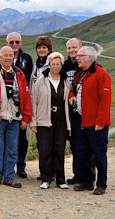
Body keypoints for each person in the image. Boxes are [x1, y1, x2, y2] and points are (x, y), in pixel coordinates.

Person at [0, 46, 32, 188]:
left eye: (10, 56)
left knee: (12, 148)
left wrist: (26, 118)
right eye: (4, 55)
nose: (7, 58)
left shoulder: (20, 74)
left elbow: (26, 97)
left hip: (14, 118)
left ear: (13, 57)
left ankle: (9, 176)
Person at [69, 46, 111, 195]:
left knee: (99, 155)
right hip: (81, 121)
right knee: (82, 153)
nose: (77, 58)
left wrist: (101, 121)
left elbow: (105, 100)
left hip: (96, 124)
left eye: (81, 55)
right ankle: (87, 182)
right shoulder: (81, 74)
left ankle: (101, 185)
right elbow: (72, 90)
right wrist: (70, 97)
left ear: (90, 58)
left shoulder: (101, 74)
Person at [30, 52, 71, 189]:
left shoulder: (66, 81)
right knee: (45, 150)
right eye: (53, 64)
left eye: (57, 64)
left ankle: (61, 180)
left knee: (59, 149)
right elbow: (34, 101)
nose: (55, 66)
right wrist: (33, 121)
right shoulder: (41, 81)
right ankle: (46, 179)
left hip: (61, 120)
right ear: (49, 65)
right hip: (44, 120)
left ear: (61, 65)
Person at [6, 32, 33, 179]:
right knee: (6, 138)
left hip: (21, 103)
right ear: (7, 44)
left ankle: (21, 166)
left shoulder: (27, 59)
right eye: (11, 42)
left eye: (17, 42)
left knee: (22, 138)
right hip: (6, 105)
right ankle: (7, 166)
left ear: (21, 43)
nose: (14, 45)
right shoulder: (3, 57)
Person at [61, 38, 82, 184]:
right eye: (69, 48)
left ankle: (86, 174)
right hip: (67, 112)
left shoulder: (85, 64)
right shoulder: (64, 66)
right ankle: (76, 174)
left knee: (83, 145)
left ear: (80, 48)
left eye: (74, 47)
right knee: (74, 144)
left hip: (82, 112)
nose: (71, 50)